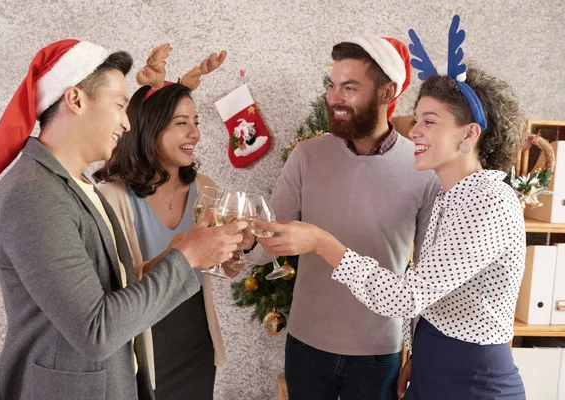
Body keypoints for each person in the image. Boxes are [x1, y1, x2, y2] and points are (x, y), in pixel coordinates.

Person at [256, 15, 527, 400]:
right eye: (417, 120)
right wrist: (418, 350)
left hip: (471, 379)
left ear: (469, 134)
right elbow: (432, 291)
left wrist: (321, 242)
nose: (414, 130)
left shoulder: (489, 202)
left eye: (428, 122)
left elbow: (407, 294)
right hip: (432, 364)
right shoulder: (455, 195)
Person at [0, 39, 246, 400]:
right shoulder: (34, 195)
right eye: (119, 104)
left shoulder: (76, 184)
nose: (126, 122)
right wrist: (187, 259)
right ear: (76, 99)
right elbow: (96, 329)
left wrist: (175, 254)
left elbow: (111, 289)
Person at [247, 35, 440, 400]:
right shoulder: (306, 156)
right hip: (306, 346)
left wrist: (418, 351)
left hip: (379, 353)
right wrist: (244, 244)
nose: (334, 97)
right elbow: (266, 244)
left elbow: (428, 278)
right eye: (333, 86)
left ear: (387, 93)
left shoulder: (423, 169)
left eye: (349, 87)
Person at [94, 45, 244, 400]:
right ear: (148, 129)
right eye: (181, 124)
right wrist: (183, 253)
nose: (194, 133)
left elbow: (211, 266)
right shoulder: (111, 197)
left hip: (195, 339)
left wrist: (228, 258)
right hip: (140, 342)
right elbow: (111, 286)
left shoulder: (204, 188)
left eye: (196, 123)